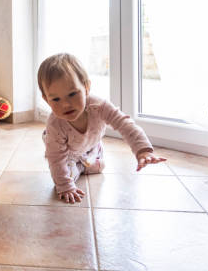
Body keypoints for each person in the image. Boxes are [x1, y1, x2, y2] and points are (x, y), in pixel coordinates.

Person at [38, 53, 166, 203]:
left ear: (86, 87)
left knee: (98, 168)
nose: (66, 104)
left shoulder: (99, 106)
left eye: (72, 94)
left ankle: (90, 156)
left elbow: (125, 124)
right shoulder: (55, 124)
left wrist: (143, 150)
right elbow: (56, 158)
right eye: (56, 99)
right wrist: (65, 186)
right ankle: (78, 164)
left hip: (90, 145)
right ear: (46, 100)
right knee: (66, 177)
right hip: (66, 153)